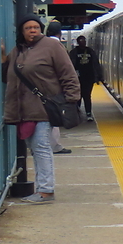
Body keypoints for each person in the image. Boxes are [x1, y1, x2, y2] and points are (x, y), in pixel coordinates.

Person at [3, 14, 80, 204]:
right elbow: (7, 77)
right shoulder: (18, 51)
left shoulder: (52, 47)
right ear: (21, 31)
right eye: (28, 28)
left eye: (36, 27)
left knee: (41, 147)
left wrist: (72, 100)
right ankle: (42, 189)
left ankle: (46, 190)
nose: (33, 31)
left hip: (44, 107)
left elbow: (68, 73)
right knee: (35, 148)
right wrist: (3, 57)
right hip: (24, 110)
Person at [45, 20, 71, 154]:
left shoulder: (41, 44)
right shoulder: (58, 46)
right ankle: (54, 146)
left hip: (42, 89)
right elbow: (65, 69)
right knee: (54, 119)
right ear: (60, 33)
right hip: (54, 89)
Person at [69, 35, 103, 122]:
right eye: (81, 41)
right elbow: (70, 65)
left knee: (87, 96)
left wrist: (98, 76)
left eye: (84, 41)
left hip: (89, 77)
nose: (83, 42)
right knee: (78, 96)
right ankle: (77, 113)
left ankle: (88, 113)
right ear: (78, 42)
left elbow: (95, 64)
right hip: (77, 78)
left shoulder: (90, 51)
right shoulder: (74, 52)